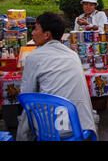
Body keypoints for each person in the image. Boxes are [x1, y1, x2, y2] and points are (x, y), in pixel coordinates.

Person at [16, 12, 97, 141]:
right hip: (81, 127)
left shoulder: (33, 58)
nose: (32, 33)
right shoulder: (73, 55)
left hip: (50, 132)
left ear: (47, 35)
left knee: (26, 114)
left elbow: (26, 95)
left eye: (36, 29)